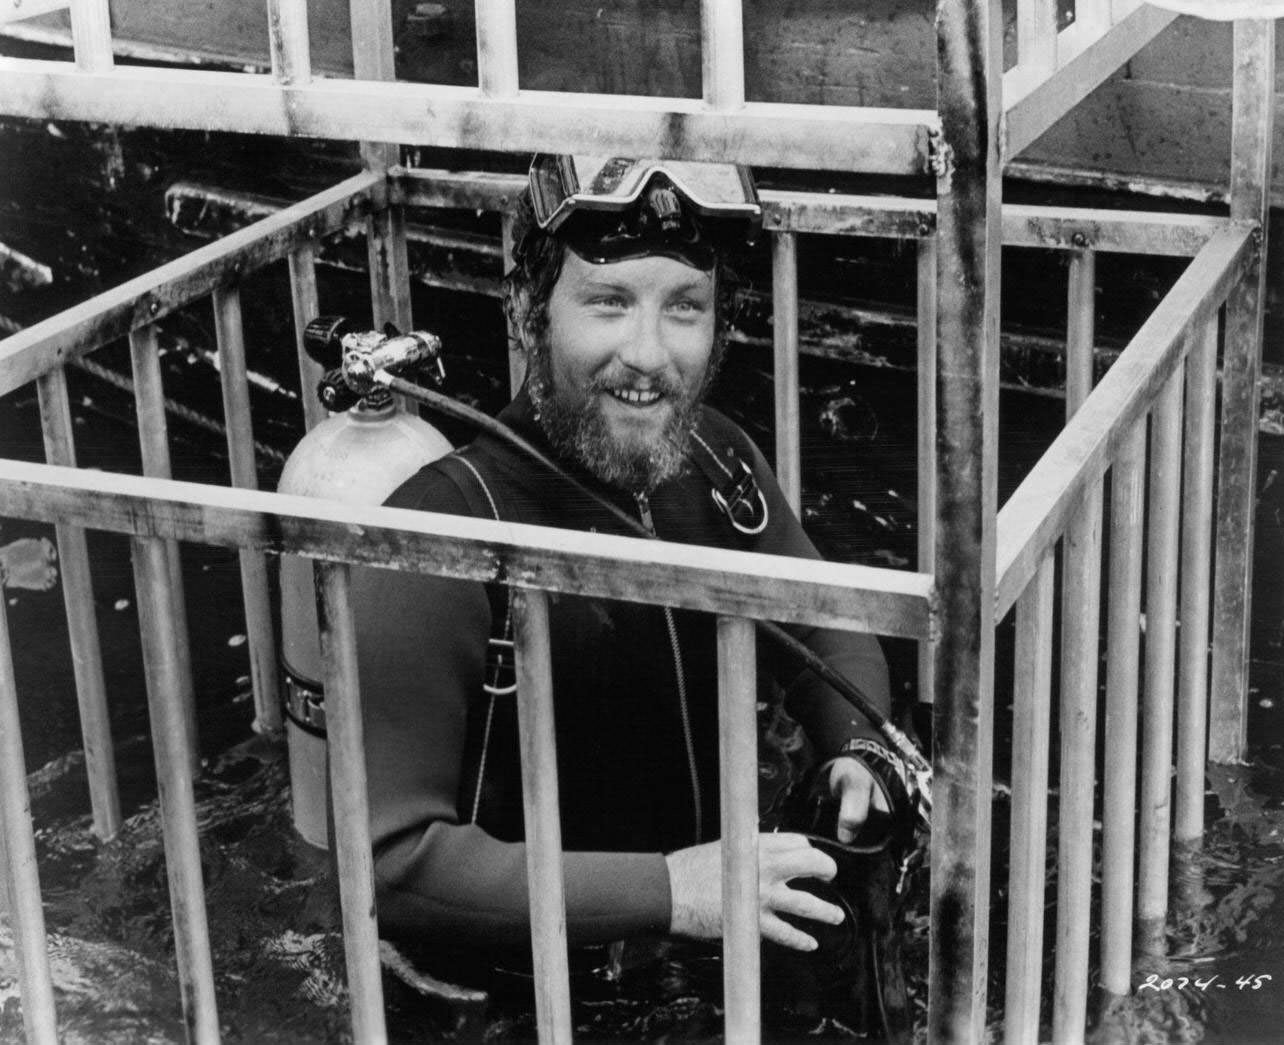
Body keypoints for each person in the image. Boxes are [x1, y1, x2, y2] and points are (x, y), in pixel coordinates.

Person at [350, 156, 898, 961]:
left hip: (714, 951)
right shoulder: (439, 534)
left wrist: (861, 752)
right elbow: (390, 864)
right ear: (528, 311)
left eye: (684, 307)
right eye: (608, 302)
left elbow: (822, 625)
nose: (648, 354)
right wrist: (676, 890)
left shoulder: (717, 458)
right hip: (520, 996)